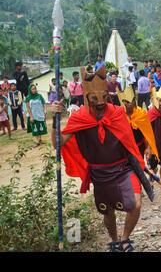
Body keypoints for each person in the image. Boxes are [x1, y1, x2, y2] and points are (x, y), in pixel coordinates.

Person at [50, 66, 145, 252]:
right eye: (94, 98)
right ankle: (116, 241)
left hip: (123, 168)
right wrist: (55, 118)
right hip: (99, 173)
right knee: (108, 211)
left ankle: (125, 239)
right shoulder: (79, 117)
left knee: (135, 204)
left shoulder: (117, 112)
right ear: (86, 97)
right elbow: (57, 144)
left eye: (103, 96)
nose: (100, 102)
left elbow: (129, 141)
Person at [117, 86, 159, 163]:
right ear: (122, 101)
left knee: (139, 168)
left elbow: (148, 133)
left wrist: (149, 148)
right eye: (127, 101)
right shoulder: (119, 115)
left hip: (139, 147)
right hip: (124, 149)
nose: (130, 104)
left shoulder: (141, 113)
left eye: (132, 101)